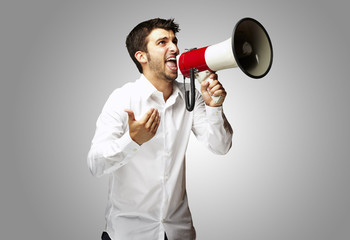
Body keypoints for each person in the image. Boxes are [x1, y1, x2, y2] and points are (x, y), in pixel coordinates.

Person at [87, 18, 233, 240]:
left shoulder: (190, 96)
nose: (174, 48)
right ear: (141, 56)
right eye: (162, 42)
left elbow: (221, 147)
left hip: (178, 233)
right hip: (128, 234)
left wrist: (215, 107)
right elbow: (95, 164)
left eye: (174, 41)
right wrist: (133, 140)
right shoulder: (122, 98)